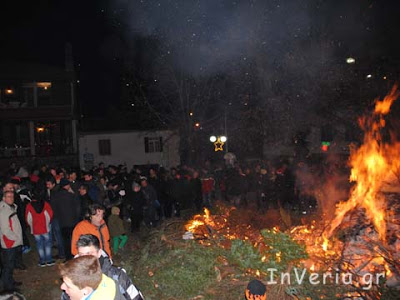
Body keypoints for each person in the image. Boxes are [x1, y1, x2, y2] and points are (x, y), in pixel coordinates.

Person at [61, 234, 144, 300]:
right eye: (81, 255)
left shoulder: (116, 276)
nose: (85, 259)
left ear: (99, 253)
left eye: (89, 254)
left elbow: (135, 297)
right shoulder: (72, 277)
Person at [52, 178, 81, 260]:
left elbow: (54, 209)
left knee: (65, 240)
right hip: (73, 221)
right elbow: (77, 208)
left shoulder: (56, 196)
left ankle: (68, 256)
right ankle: (75, 254)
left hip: (62, 222)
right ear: (67, 185)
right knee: (74, 239)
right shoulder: (71, 195)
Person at [0, 191, 23, 291]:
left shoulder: (11, 208)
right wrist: (15, 238)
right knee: (8, 266)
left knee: (10, 264)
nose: (11, 198)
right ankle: (8, 288)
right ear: (4, 198)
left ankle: (10, 282)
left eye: (12, 196)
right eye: (8, 197)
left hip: (12, 242)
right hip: (9, 243)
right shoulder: (4, 211)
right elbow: (5, 230)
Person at [25, 192, 54, 267]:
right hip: (45, 227)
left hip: (35, 229)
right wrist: (47, 223)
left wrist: (31, 225)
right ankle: (49, 260)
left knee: (39, 244)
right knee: (47, 244)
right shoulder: (45, 204)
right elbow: (50, 214)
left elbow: (28, 218)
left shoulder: (29, 205)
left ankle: (42, 260)